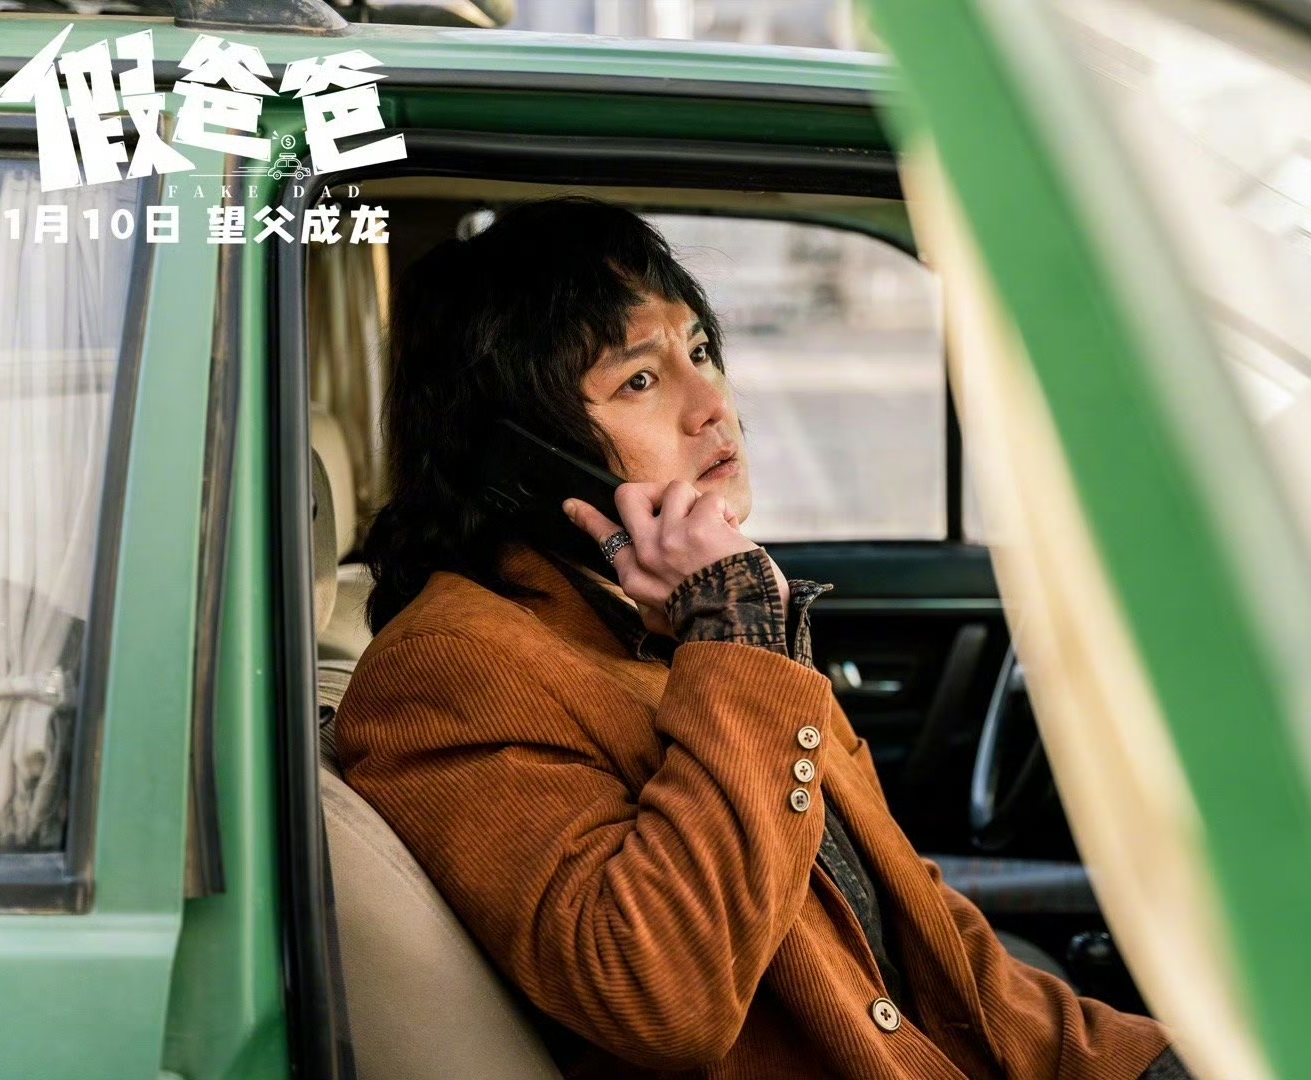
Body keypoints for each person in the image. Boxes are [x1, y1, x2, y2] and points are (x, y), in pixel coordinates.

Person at [335, 196, 1190, 1080]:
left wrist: (1143, 1061)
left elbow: (919, 932)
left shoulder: (662, 620)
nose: (712, 407)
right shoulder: (451, 669)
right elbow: (661, 992)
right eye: (639, 381)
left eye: (700, 350)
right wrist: (737, 627)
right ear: (521, 455)